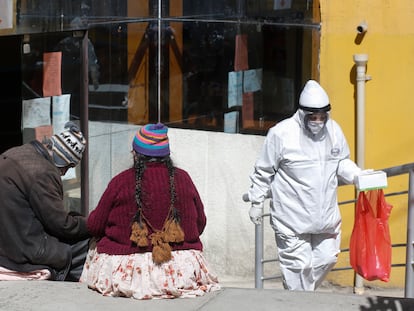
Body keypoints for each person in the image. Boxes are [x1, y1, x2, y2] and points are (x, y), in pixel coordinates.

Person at [246, 80, 363, 291]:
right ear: (302, 113)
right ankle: (299, 299)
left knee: (327, 259)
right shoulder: (281, 134)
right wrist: (256, 201)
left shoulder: (334, 132)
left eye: (322, 116)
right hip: (291, 218)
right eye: (313, 117)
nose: (318, 121)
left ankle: (299, 295)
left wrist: (358, 176)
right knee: (298, 269)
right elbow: (264, 170)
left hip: (325, 217)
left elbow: (342, 162)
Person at [80, 123, 220, 299]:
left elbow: (95, 226)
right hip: (181, 272)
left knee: (95, 243)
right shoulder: (183, 178)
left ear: (136, 155)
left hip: (129, 273)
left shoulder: (120, 181)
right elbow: (200, 224)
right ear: (166, 156)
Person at [0, 121, 90, 281]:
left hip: (7, 241)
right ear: (63, 161)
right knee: (86, 244)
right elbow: (62, 225)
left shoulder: (16, 152)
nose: (64, 173)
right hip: (22, 251)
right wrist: (91, 223)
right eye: (68, 167)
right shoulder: (43, 172)